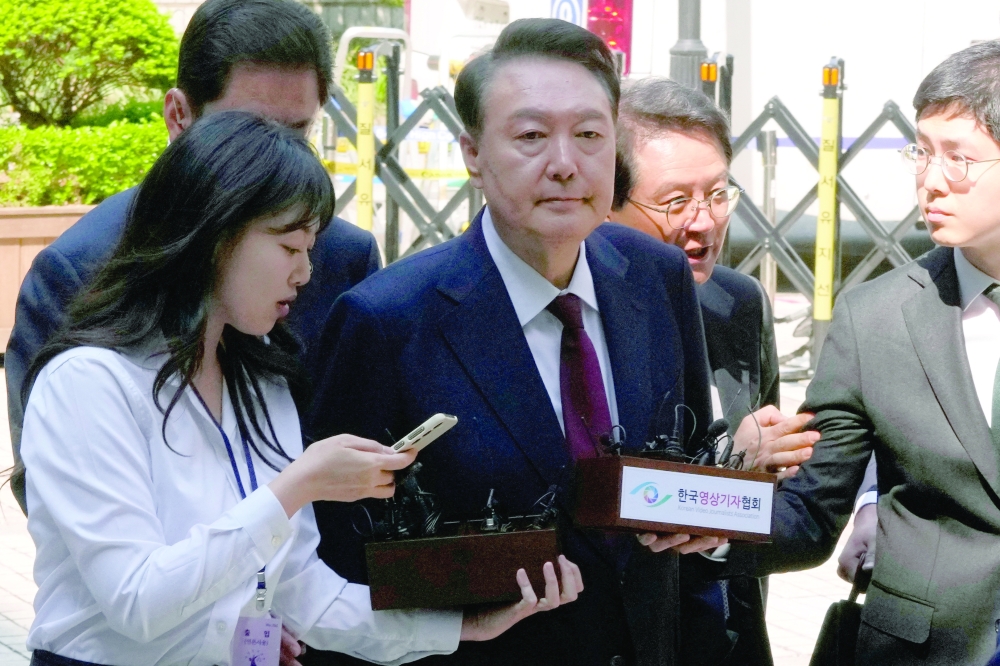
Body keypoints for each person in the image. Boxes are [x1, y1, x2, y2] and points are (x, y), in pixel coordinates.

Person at [19, 111, 582, 666]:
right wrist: (297, 486)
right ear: (215, 236)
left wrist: (460, 626)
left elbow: (302, 591)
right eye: (290, 248)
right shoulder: (89, 382)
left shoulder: (258, 379)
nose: (305, 273)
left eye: (310, 249)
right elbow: (138, 601)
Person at [306, 18, 723, 666]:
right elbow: (342, 559)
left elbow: (688, 466)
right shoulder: (387, 321)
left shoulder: (655, 275)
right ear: (472, 153)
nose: (565, 164)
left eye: (589, 135)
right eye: (531, 136)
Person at [4, 0, 380, 517]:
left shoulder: (343, 256)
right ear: (179, 117)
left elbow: (352, 457)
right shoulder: (79, 268)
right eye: (246, 131)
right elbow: (54, 487)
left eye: (296, 135)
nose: (274, 160)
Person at [708, 40, 1000, 664]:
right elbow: (812, 508)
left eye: (958, 157)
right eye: (922, 151)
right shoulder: (874, 318)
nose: (931, 179)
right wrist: (702, 525)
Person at [607, 77, 818, 666]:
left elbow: (777, 497)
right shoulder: (577, 315)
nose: (703, 222)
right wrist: (726, 471)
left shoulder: (738, 302)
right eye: (675, 201)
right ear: (606, 199)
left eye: (719, 194)